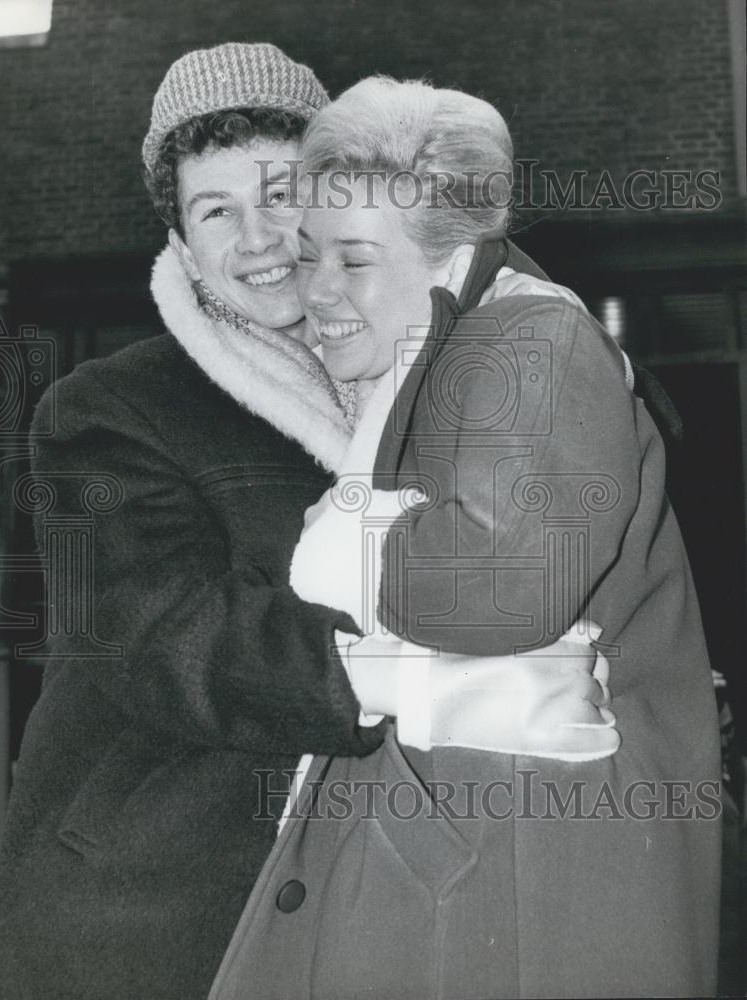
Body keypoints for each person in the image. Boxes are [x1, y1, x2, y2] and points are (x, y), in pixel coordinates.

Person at [0, 45, 615, 1000]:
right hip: (155, 909)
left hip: (360, 885)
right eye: (214, 212)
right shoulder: (105, 409)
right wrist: (413, 666)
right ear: (183, 245)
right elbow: (159, 636)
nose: (258, 239)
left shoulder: (397, 364)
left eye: (280, 195)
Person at [207, 77, 722, 1000]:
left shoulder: (530, 342)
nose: (313, 289)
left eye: (355, 261)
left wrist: (351, 547)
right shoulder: (451, 347)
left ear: (452, 251)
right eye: (311, 251)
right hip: (475, 843)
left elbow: (504, 582)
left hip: (515, 874)